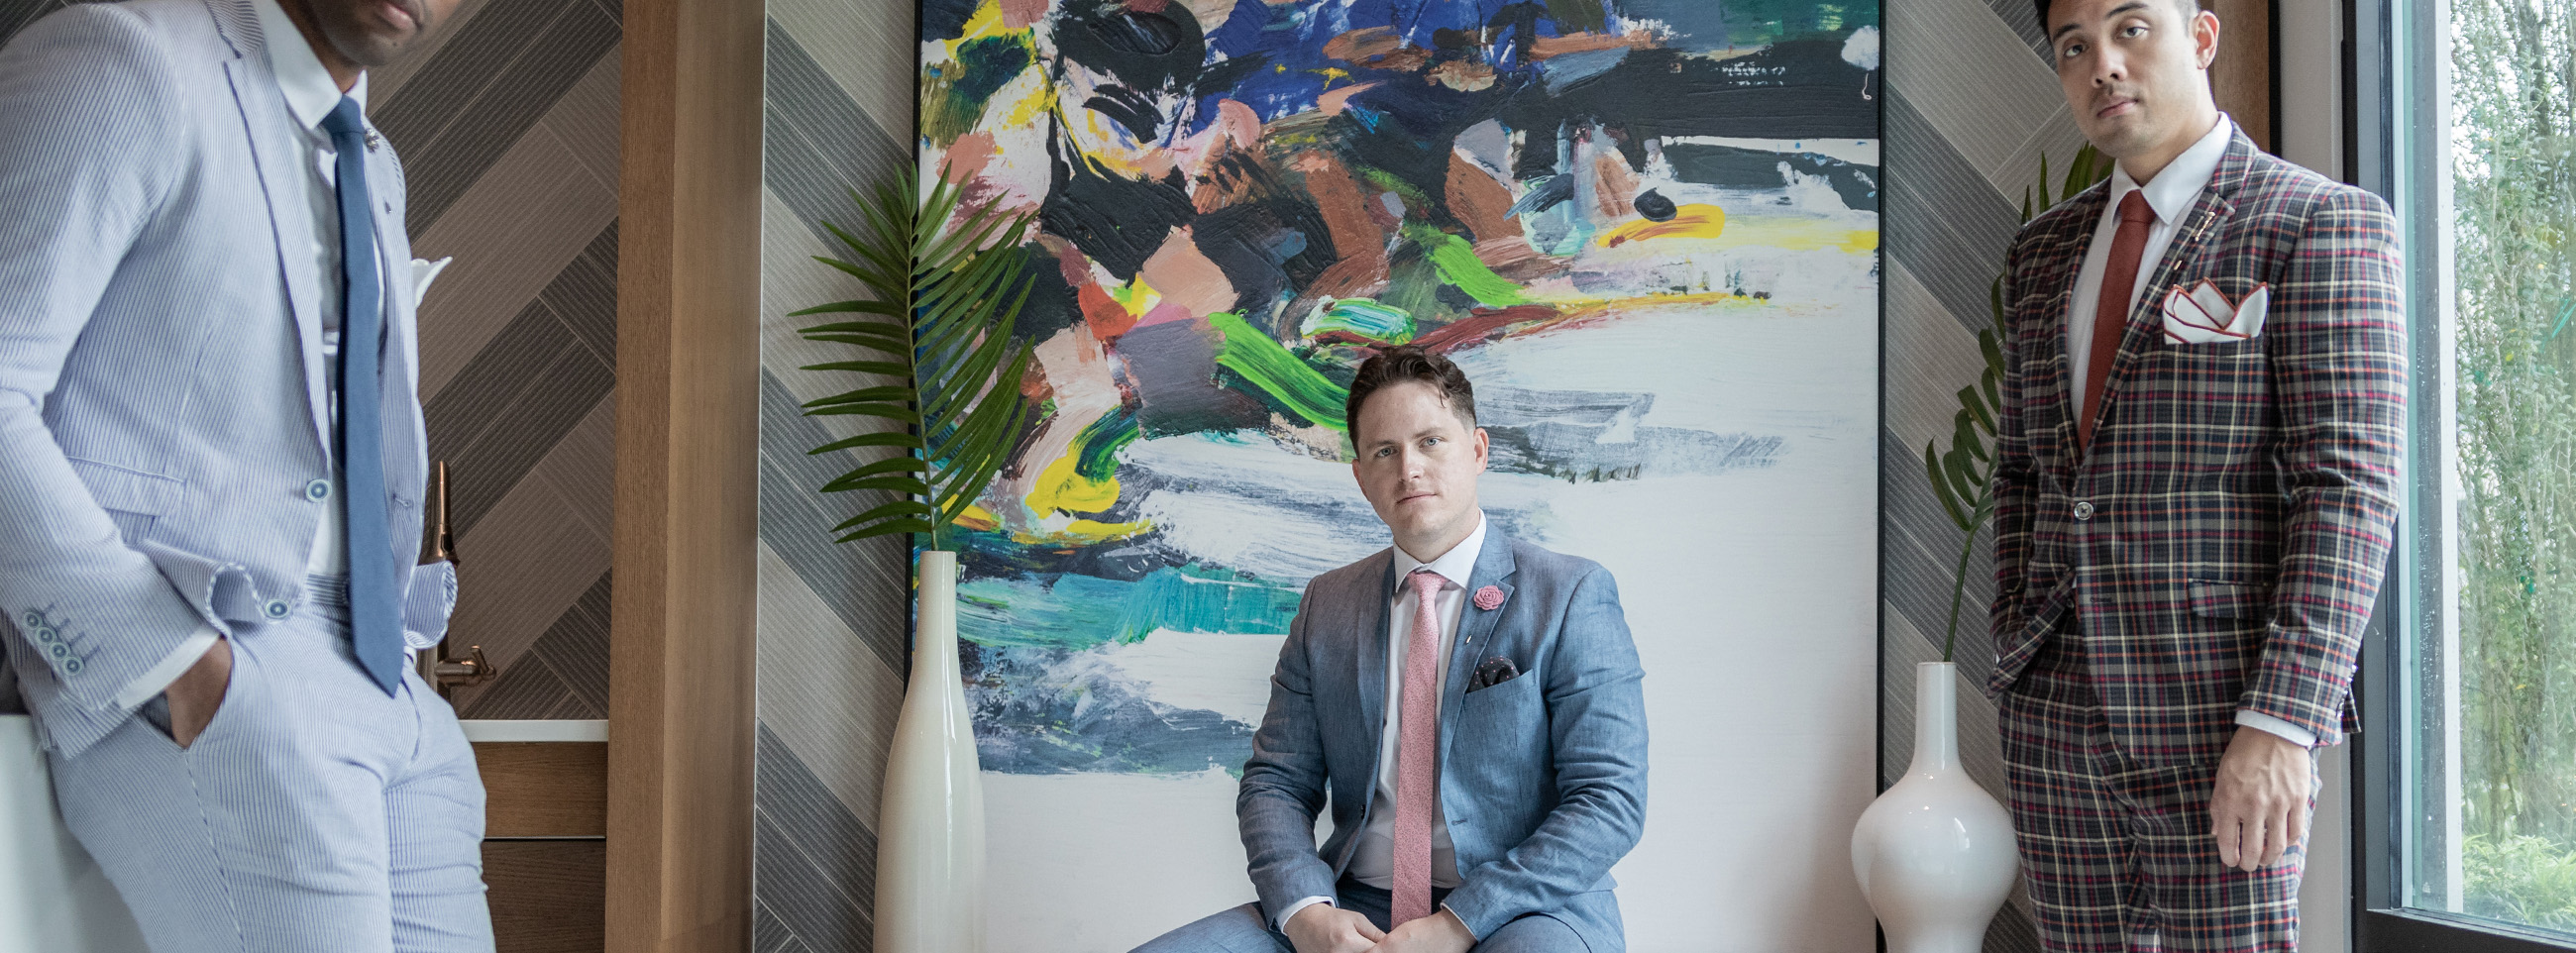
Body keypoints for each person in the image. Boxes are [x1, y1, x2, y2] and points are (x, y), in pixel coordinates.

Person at [0, 0, 483, 950]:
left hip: (391, 687)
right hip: (223, 657)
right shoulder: (128, 58)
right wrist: (178, 667)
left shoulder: (370, 162)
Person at [1986, 0, 2406, 948]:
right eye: (2075, 47)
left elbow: (2347, 488)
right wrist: (2016, 634)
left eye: (2133, 30)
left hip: (2218, 713)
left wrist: (2283, 720)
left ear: (2203, 38)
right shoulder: (2044, 250)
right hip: (2055, 709)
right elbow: (2020, 471)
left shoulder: (2315, 222)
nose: (2104, 66)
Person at [1132, 346, 1649, 953]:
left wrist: (1459, 922)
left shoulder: (1571, 594)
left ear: (1478, 450)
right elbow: (1277, 781)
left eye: (1431, 442)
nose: (1409, 469)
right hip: (1354, 906)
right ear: (1361, 476)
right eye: (1385, 451)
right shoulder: (1328, 603)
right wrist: (1306, 912)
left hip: (1523, 907)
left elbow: (1609, 798)